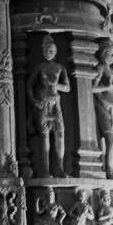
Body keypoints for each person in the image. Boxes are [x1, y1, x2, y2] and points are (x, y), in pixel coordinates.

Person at [27, 34, 70, 177]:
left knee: (60, 136)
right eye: (45, 50)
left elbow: (67, 87)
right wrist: (33, 100)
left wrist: (56, 85)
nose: (48, 52)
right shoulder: (40, 67)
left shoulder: (60, 68)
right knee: (45, 139)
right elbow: (30, 84)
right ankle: (45, 171)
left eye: (51, 50)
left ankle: (60, 168)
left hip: (56, 104)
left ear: (56, 51)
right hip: (44, 103)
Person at [92, 40, 113, 179]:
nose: (112, 56)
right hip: (105, 107)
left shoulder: (112, 70)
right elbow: (93, 88)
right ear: (103, 54)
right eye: (110, 53)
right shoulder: (100, 68)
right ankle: (109, 170)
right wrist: (107, 88)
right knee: (111, 138)